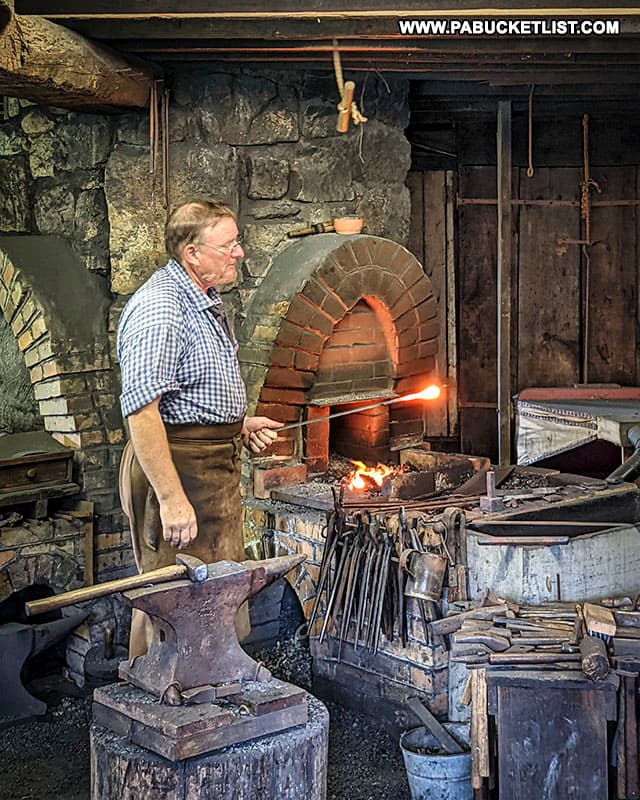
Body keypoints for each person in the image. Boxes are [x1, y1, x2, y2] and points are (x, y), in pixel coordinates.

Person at [117, 199, 282, 657]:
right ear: (192, 253)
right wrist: (170, 500)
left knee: (214, 591)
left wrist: (236, 424)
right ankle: (167, 704)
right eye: (228, 245)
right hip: (181, 470)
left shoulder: (203, 300)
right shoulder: (161, 311)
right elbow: (143, 414)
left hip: (212, 467)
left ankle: (211, 689)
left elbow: (186, 393)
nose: (239, 253)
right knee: (175, 598)